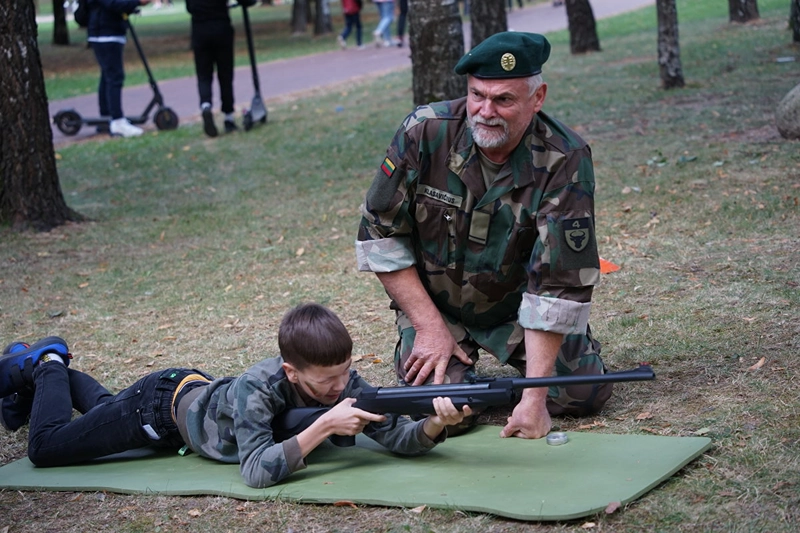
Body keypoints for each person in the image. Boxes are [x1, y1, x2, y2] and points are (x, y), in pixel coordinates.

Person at [356, 32, 612, 441]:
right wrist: (428, 327)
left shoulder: (565, 159)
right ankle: (450, 370)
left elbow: (559, 282)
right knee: (443, 413)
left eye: (504, 100)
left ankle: (515, 380)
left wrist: (534, 399)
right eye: (477, 95)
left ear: (537, 97)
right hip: (435, 306)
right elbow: (380, 237)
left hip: (515, 311)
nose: (486, 111)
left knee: (582, 395)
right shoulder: (426, 132)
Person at [0, 304, 471, 488]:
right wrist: (323, 426)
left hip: (189, 403)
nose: (338, 387)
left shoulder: (346, 385)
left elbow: (401, 438)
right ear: (291, 370)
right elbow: (254, 472)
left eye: (344, 373)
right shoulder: (258, 387)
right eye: (326, 380)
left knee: (100, 413)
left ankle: (40, 377)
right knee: (46, 447)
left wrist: (435, 424)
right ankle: (47, 364)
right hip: (157, 409)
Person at [87, 0, 152, 138]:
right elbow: (113, 3)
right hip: (106, 32)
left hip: (104, 31)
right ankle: (117, 122)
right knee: (114, 77)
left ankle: (106, 118)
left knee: (107, 76)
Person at [186, 0, 238, 137]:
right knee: (225, 74)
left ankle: (206, 104)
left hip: (200, 30)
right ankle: (228, 116)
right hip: (221, 27)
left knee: (203, 74)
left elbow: (189, 7)